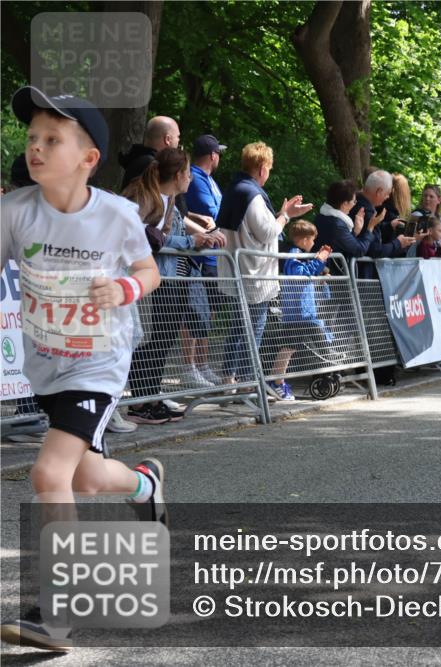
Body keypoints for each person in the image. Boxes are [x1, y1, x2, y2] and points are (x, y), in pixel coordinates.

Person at [0, 87, 165, 651]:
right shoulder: (14, 211)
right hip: (46, 364)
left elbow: (150, 273)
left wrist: (123, 287)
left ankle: (60, 611)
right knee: (86, 478)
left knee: (49, 475)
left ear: (89, 158)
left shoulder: (116, 215)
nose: (36, 149)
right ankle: (145, 483)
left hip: (99, 363)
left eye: (52, 139)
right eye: (32, 139)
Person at [123, 148, 221, 423]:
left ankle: (149, 397)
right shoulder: (149, 199)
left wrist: (201, 238)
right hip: (153, 278)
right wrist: (193, 242)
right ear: (178, 175)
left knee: (163, 340)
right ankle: (142, 400)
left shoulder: (170, 201)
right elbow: (148, 239)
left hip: (171, 276)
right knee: (153, 340)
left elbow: (163, 237)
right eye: (188, 174)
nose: (191, 179)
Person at [216, 142, 313, 386]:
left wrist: (282, 212)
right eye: (269, 168)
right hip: (254, 275)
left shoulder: (234, 189)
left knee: (238, 329)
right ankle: (248, 383)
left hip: (237, 271)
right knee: (251, 331)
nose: (268, 173)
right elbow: (268, 232)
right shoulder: (252, 195)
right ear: (261, 169)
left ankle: (230, 380)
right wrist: (286, 215)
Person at [179, 134, 228, 389]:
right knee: (194, 312)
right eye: (218, 153)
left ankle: (202, 364)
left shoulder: (209, 179)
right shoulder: (196, 178)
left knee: (208, 311)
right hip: (200, 255)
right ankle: (190, 367)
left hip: (213, 255)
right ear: (212, 155)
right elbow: (215, 214)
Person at [269, 220, 336, 401]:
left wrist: (319, 265)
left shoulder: (297, 254)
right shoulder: (293, 254)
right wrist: (319, 260)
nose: (314, 244)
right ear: (305, 239)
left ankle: (277, 382)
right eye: (312, 240)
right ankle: (277, 382)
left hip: (301, 312)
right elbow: (300, 274)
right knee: (293, 347)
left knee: (289, 348)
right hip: (298, 313)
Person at [312, 180, 378, 272]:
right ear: (344, 204)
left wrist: (355, 231)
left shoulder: (321, 217)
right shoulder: (337, 225)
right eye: (354, 201)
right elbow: (359, 250)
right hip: (332, 277)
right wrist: (370, 228)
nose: (355, 204)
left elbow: (343, 244)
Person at [119, 115, 181, 190]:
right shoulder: (152, 165)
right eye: (177, 136)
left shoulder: (138, 159)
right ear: (167, 139)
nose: (178, 140)